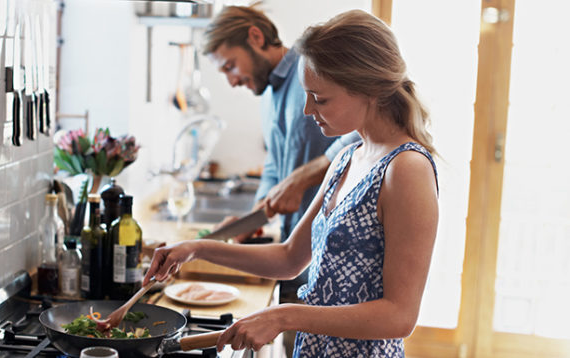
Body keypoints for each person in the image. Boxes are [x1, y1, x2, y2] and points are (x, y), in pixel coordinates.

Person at [145, 9, 439, 357]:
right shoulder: (347, 159)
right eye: (307, 95)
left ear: (369, 89)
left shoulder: (407, 168)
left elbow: (399, 316)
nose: (307, 111)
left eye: (321, 98)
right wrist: (196, 249)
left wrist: (284, 316)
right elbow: (288, 258)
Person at [202, 5, 360, 243]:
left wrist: (304, 178)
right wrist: (255, 216)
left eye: (230, 66)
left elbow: (363, 132)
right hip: (295, 246)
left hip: (337, 240)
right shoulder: (266, 96)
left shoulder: (314, 69)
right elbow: (275, 164)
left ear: (256, 37)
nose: (232, 82)